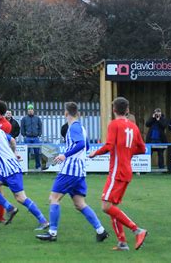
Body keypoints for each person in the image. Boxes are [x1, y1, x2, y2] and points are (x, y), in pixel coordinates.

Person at [36, 102, 108, 242]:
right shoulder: (81, 127)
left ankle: (52, 233)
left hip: (70, 169)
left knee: (54, 198)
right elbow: (86, 146)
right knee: (80, 204)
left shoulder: (74, 127)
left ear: (66, 113)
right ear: (78, 113)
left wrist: (65, 155)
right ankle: (101, 231)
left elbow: (81, 144)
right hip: (80, 170)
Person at [0, 110, 48, 229]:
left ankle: (43, 220)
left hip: (11, 169)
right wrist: (14, 152)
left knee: (21, 198)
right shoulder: (0, 131)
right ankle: (10, 208)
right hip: (4, 169)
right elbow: (12, 140)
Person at [89, 97, 148, 251]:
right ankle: (122, 242)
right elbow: (142, 149)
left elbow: (109, 145)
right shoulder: (134, 127)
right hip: (127, 171)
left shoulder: (114, 124)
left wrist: (95, 153)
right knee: (112, 206)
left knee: (105, 206)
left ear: (114, 110)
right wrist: (128, 152)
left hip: (117, 171)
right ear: (127, 110)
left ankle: (137, 230)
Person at [21, 104, 42, 170]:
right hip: (27, 138)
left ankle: (38, 166)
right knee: (26, 153)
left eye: (31, 109)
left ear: (33, 110)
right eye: (29, 109)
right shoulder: (24, 119)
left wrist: (39, 134)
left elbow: (40, 127)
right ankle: (26, 167)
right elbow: (22, 127)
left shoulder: (37, 118)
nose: (30, 110)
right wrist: (24, 135)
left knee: (37, 152)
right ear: (27, 111)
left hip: (36, 138)